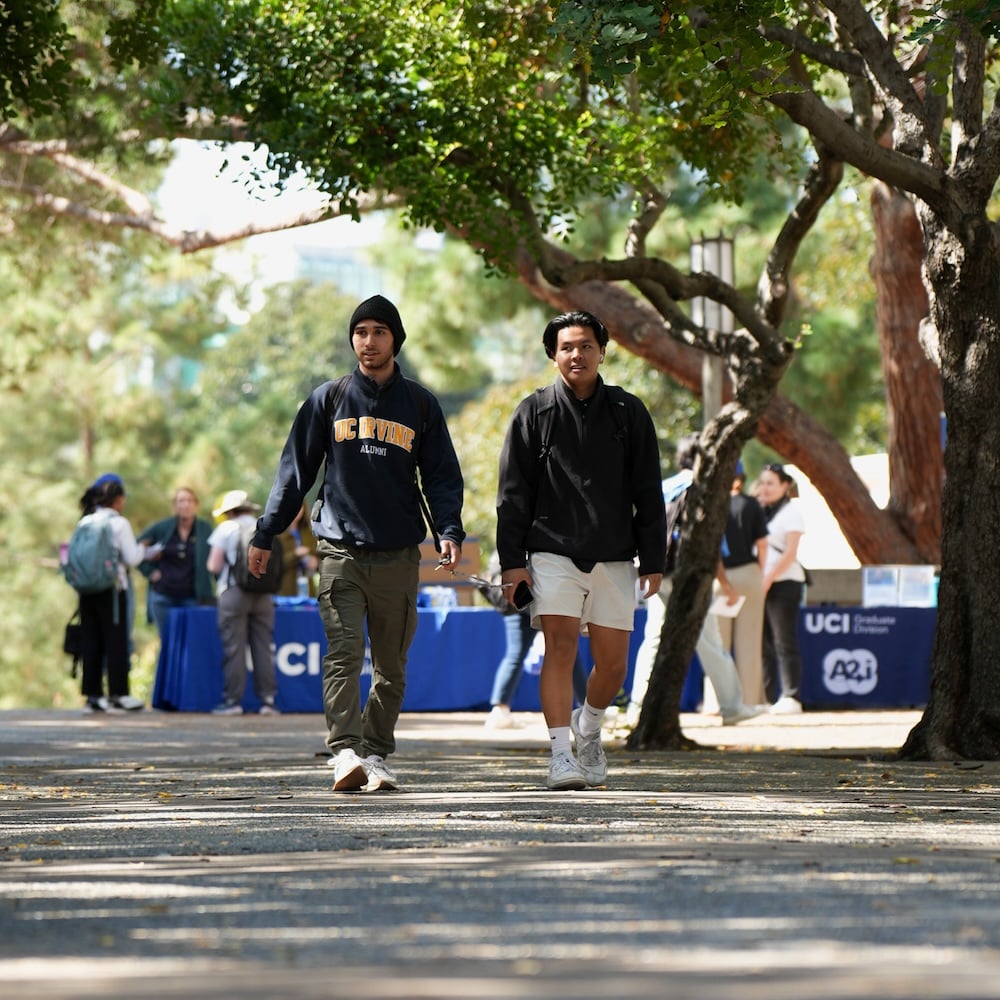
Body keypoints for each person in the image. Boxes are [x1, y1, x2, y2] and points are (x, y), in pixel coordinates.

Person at [246, 294, 465, 793]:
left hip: (397, 557)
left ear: (396, 340)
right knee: (343, 654)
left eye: (379, 332)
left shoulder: (421, 405)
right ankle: (344, 750)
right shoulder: (329, 398)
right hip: (340, 553)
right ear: (353, 339)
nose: (368, 342)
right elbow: (293, 472)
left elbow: (442, 477)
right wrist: (265, 532)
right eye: (361, 332)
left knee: (390, 667)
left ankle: (377, 754)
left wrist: (449, 531)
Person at [496, 310, 665, 791]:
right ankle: (559, 756)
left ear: (601, 352)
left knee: (613, 664)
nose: (577, 354)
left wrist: (653, 560)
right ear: (553, 355)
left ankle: (588, 726)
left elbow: (648, 491)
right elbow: (512, 495)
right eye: (567, 347)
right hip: (551, 553)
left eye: (586, 345)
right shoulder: (532, 412)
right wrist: (512, 564)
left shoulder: (629, 413)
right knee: (561, 648)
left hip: (615, 555)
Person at [626, 436, 764, 728]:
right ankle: (732, 706)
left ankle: (637, 706)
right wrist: (723, 581)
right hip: (687, 572)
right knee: (709, 639)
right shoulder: (704, 489)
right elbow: (709, 543)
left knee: (653, 638)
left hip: (656, 570)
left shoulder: (664, 486)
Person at [482, 550, 590, 729]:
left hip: (520, 599)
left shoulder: (512, 538)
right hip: (538, 597)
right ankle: (587, 708)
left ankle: (499, 710)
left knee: (517, 655)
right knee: (567, 651)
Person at [74, 475, 152, 713]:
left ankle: (93, 695)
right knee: (115, 641)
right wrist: (145, 549)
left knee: (91, 640)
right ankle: (119, 694)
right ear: (118, 500)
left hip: (86, 589)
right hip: (112, 588)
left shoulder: (85, 522)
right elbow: (132, 558)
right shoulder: (119, 523)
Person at [206, 489, 279, 716]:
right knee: (263, 648)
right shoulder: (264, 527)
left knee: (234, 648)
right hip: (265, 594)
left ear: (229, 512)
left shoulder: (226, 528)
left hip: (234, 593)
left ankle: (232, 701)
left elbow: (213, 565)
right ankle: (268, 701)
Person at [718, 460, 769, 705]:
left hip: (721, 577)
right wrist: (759, 570)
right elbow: (762, 545)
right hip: (749, 573)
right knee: (749, 642)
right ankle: (749, 701)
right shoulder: (752, 505)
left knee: (719, 644)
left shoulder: (715, 506)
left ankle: (718, 702)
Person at [757, 462, 807, 713]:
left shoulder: (791, 512)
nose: (765, 488)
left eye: (770, 483)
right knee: (762, 642)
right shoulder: (759, 510)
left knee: (783, 639)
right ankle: (764, 696)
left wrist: (768, 579)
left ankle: (791, 695)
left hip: (785, 582)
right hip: (761, 584)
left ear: (785, 486)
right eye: (762, 482)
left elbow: (790, 553)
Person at [138, 487, 216, 640]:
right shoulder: (162, 528)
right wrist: (149, 571)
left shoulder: (204, 528)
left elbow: (216, 556)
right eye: (181, 501)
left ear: (196, 505)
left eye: (189, 501)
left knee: (192, 642)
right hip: (163, 596)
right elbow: (135, 548)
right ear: (175, 506)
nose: (185, 505)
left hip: (193, 597)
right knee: (169, 642)